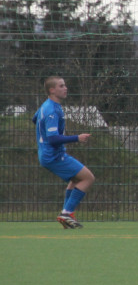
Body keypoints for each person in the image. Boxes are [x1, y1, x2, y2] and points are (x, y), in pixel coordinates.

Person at [33, 76, 95, 229]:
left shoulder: (47, 106)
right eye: (61, 86)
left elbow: (35, 119)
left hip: (50, 153)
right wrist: (77, 138)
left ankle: (67, 215)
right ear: (51, 90)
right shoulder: (52, 110)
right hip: (52, 155)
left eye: (65, 85)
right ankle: (66, 213)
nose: (65, 88)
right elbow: (53, 139)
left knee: (76, 179)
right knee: (88, 178)